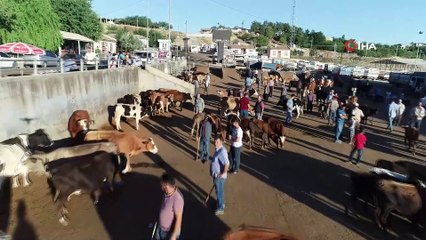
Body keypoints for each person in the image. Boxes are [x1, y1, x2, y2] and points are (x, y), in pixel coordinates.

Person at [156, 173, 184, 240]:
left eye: (162, 185)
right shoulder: (166, 193)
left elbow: (179, 219)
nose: (161, 187)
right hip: (161, 228)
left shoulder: (177, 199)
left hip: (168, 233)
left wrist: (173, 236)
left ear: (166, 185)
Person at [210, 136, 230, 215]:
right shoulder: (218, 149)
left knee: (219, 192)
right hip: (217, 176)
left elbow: (227, 163)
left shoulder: (222, 151)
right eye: (215, 141)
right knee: (220, 191)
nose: (215, 143)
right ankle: (221, 203)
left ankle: (220, 208)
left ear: (221, 142)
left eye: (217, 142)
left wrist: (222, 173)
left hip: (219, 177)